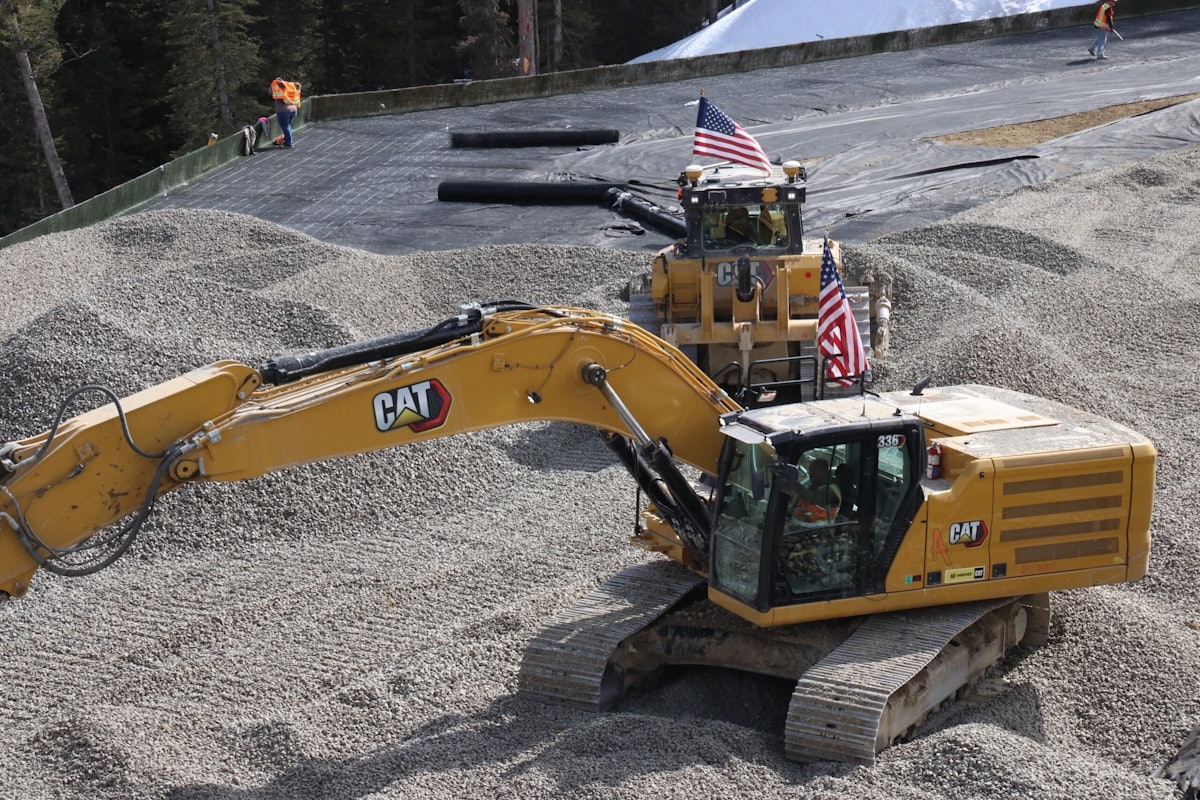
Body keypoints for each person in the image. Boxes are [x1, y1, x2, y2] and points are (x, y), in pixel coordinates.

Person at [793, 457, 842, 524]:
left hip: (821, 528)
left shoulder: (831, 490)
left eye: (813, 470)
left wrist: (795, 484)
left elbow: (814, 499)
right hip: (801, 525)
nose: (810, 473)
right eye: (810, 470)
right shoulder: (814, 487)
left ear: (824, 472)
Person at [271, 77, 302, 148]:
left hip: (283, 111)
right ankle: (284, 139)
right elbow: (298, 89)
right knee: (288, 126)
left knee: (286, 127)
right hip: (293, 110)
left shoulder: (278, 90)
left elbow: (271, 91)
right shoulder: (291, 89)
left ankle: (288, 143)